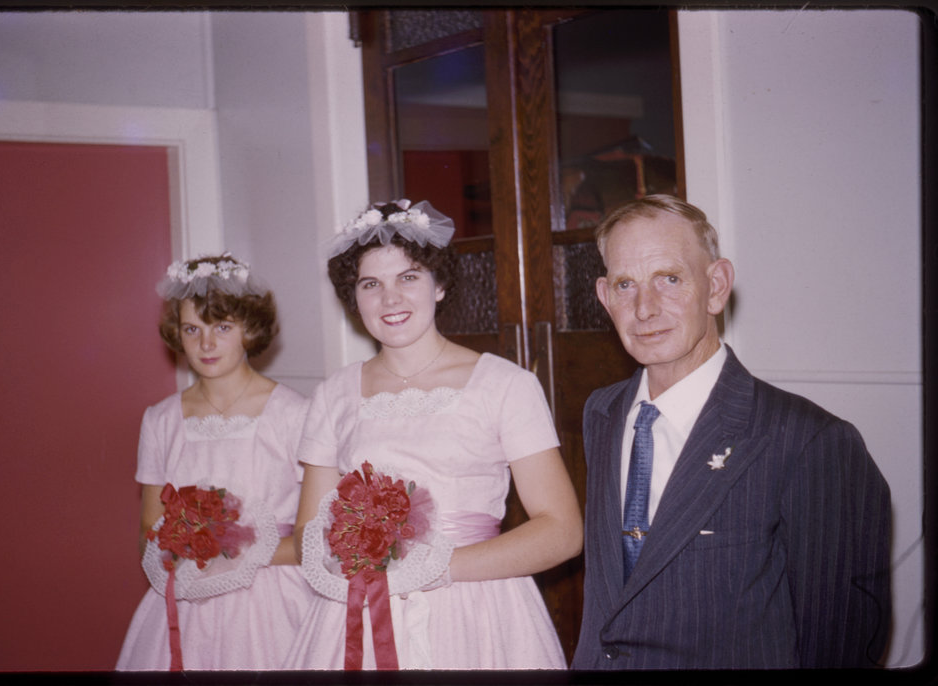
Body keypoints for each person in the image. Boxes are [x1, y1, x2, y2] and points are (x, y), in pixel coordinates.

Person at [571, 194, 892, 670]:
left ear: (716, 286)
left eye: (669, 278)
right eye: (625, 284)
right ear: (604, 297)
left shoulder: (808, 441)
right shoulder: (602, 413)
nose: (644, 308)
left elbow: (838, 644)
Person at [284, 200, 583, 669]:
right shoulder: (332, 395)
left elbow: (562, 531)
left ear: (439, 285)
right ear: (354, 298)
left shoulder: (506, 384)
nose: (390, 299)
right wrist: (355, 549)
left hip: (478, 610)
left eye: (408, 277)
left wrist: (436, 568)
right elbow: (308, 531)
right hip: (359, 611)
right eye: (371, 284)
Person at [116, 254, 313, 670]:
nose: (206, 344)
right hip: (188, 602)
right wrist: (178, 547)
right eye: (193, 329)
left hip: (273, 603)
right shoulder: (160, 420)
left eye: (222, 327)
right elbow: (148, 531)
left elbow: (314, 537)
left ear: (250, 329)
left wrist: (232, 550)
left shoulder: (294, 414)